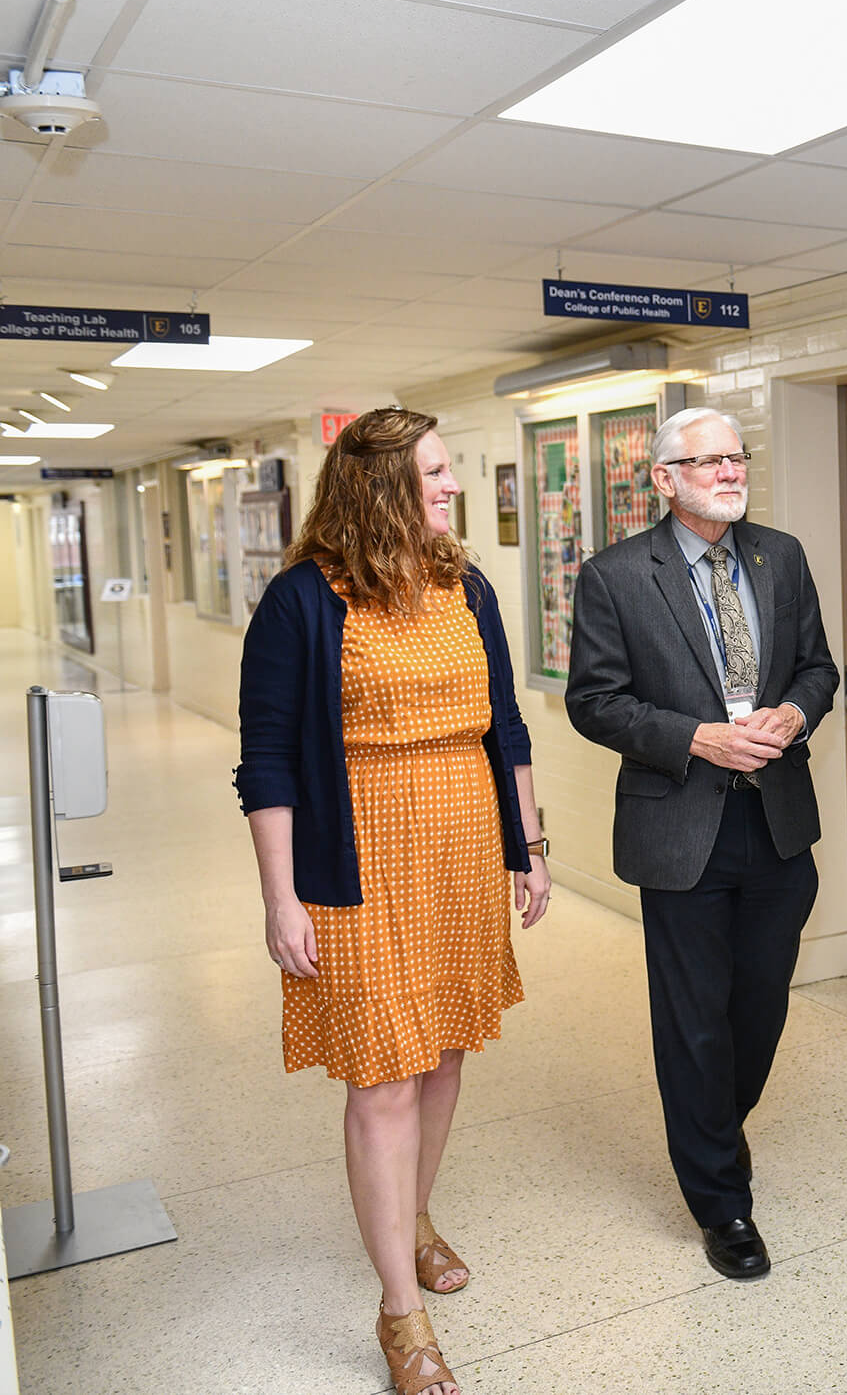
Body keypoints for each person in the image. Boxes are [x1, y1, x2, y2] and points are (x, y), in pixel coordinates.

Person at [236, 407, 550, 1395]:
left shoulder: (468, 586)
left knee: (445, 1049)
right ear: (378, 485)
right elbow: (269, 761)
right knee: (383, 1075)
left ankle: (414, 1215)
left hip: (460, 842)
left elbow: (506, 723)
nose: (453, 486)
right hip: (356, 854)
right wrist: (280, 897)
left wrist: (528, 843)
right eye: (437, 471)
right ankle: (399, 1314)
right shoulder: (299, 602)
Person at [565, 406, 839, 1281]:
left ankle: (714, 1131)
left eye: (736, 456)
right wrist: (698, 737)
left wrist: (794, 713)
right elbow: (594, 701)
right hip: (681, 826)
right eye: (707, 461)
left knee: (757, 1009)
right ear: (664, 479)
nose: (729, 471)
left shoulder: (781, 556)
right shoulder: (614, 576)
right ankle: (721, 1202)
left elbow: (819, 669)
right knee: (692, 1024)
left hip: (777, 823)